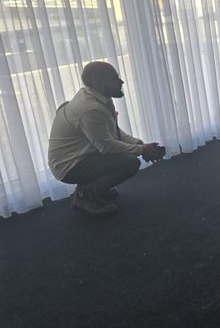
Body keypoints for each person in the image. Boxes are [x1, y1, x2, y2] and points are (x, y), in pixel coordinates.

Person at [48, 61, 165, 215]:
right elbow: (107, 146)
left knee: (128, 154)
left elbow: (113, 132)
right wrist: (142, 150)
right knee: (130, 163)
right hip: (69, 166)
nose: (121, 82)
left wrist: (140, 144)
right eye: (115, 78)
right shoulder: (91, 109)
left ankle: (89, 188)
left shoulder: (97, 97)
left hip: (80, 156)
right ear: (98, 83)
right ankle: (86, 196)